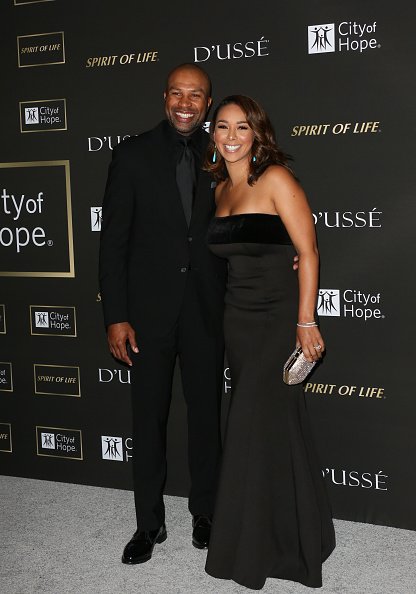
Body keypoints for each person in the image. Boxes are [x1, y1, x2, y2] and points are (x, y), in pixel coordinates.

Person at [204, 95, 336, 590]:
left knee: (251, 426)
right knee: (272, 427)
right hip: (237, 320)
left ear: (257, 134)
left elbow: (309, 251)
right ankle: (300, 536)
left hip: (278, 320)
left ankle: (261, 547)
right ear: (212, 135)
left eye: (242, 127)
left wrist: (306, 323)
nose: (232, 136)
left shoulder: (276, 180)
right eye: (223, 127)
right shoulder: (218, 190)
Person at [99, 63, 228, 563]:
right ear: (164, 98)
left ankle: (206, 514)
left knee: (205, 418)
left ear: (207, 103)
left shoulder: (222, 153)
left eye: (196, 95)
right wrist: (116, 316)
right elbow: (113, 245)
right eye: (177, 93)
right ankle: (148, 525)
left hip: (205, 310)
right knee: (147, 421)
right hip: (146, 317)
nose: (185, 103)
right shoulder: (131, 155)